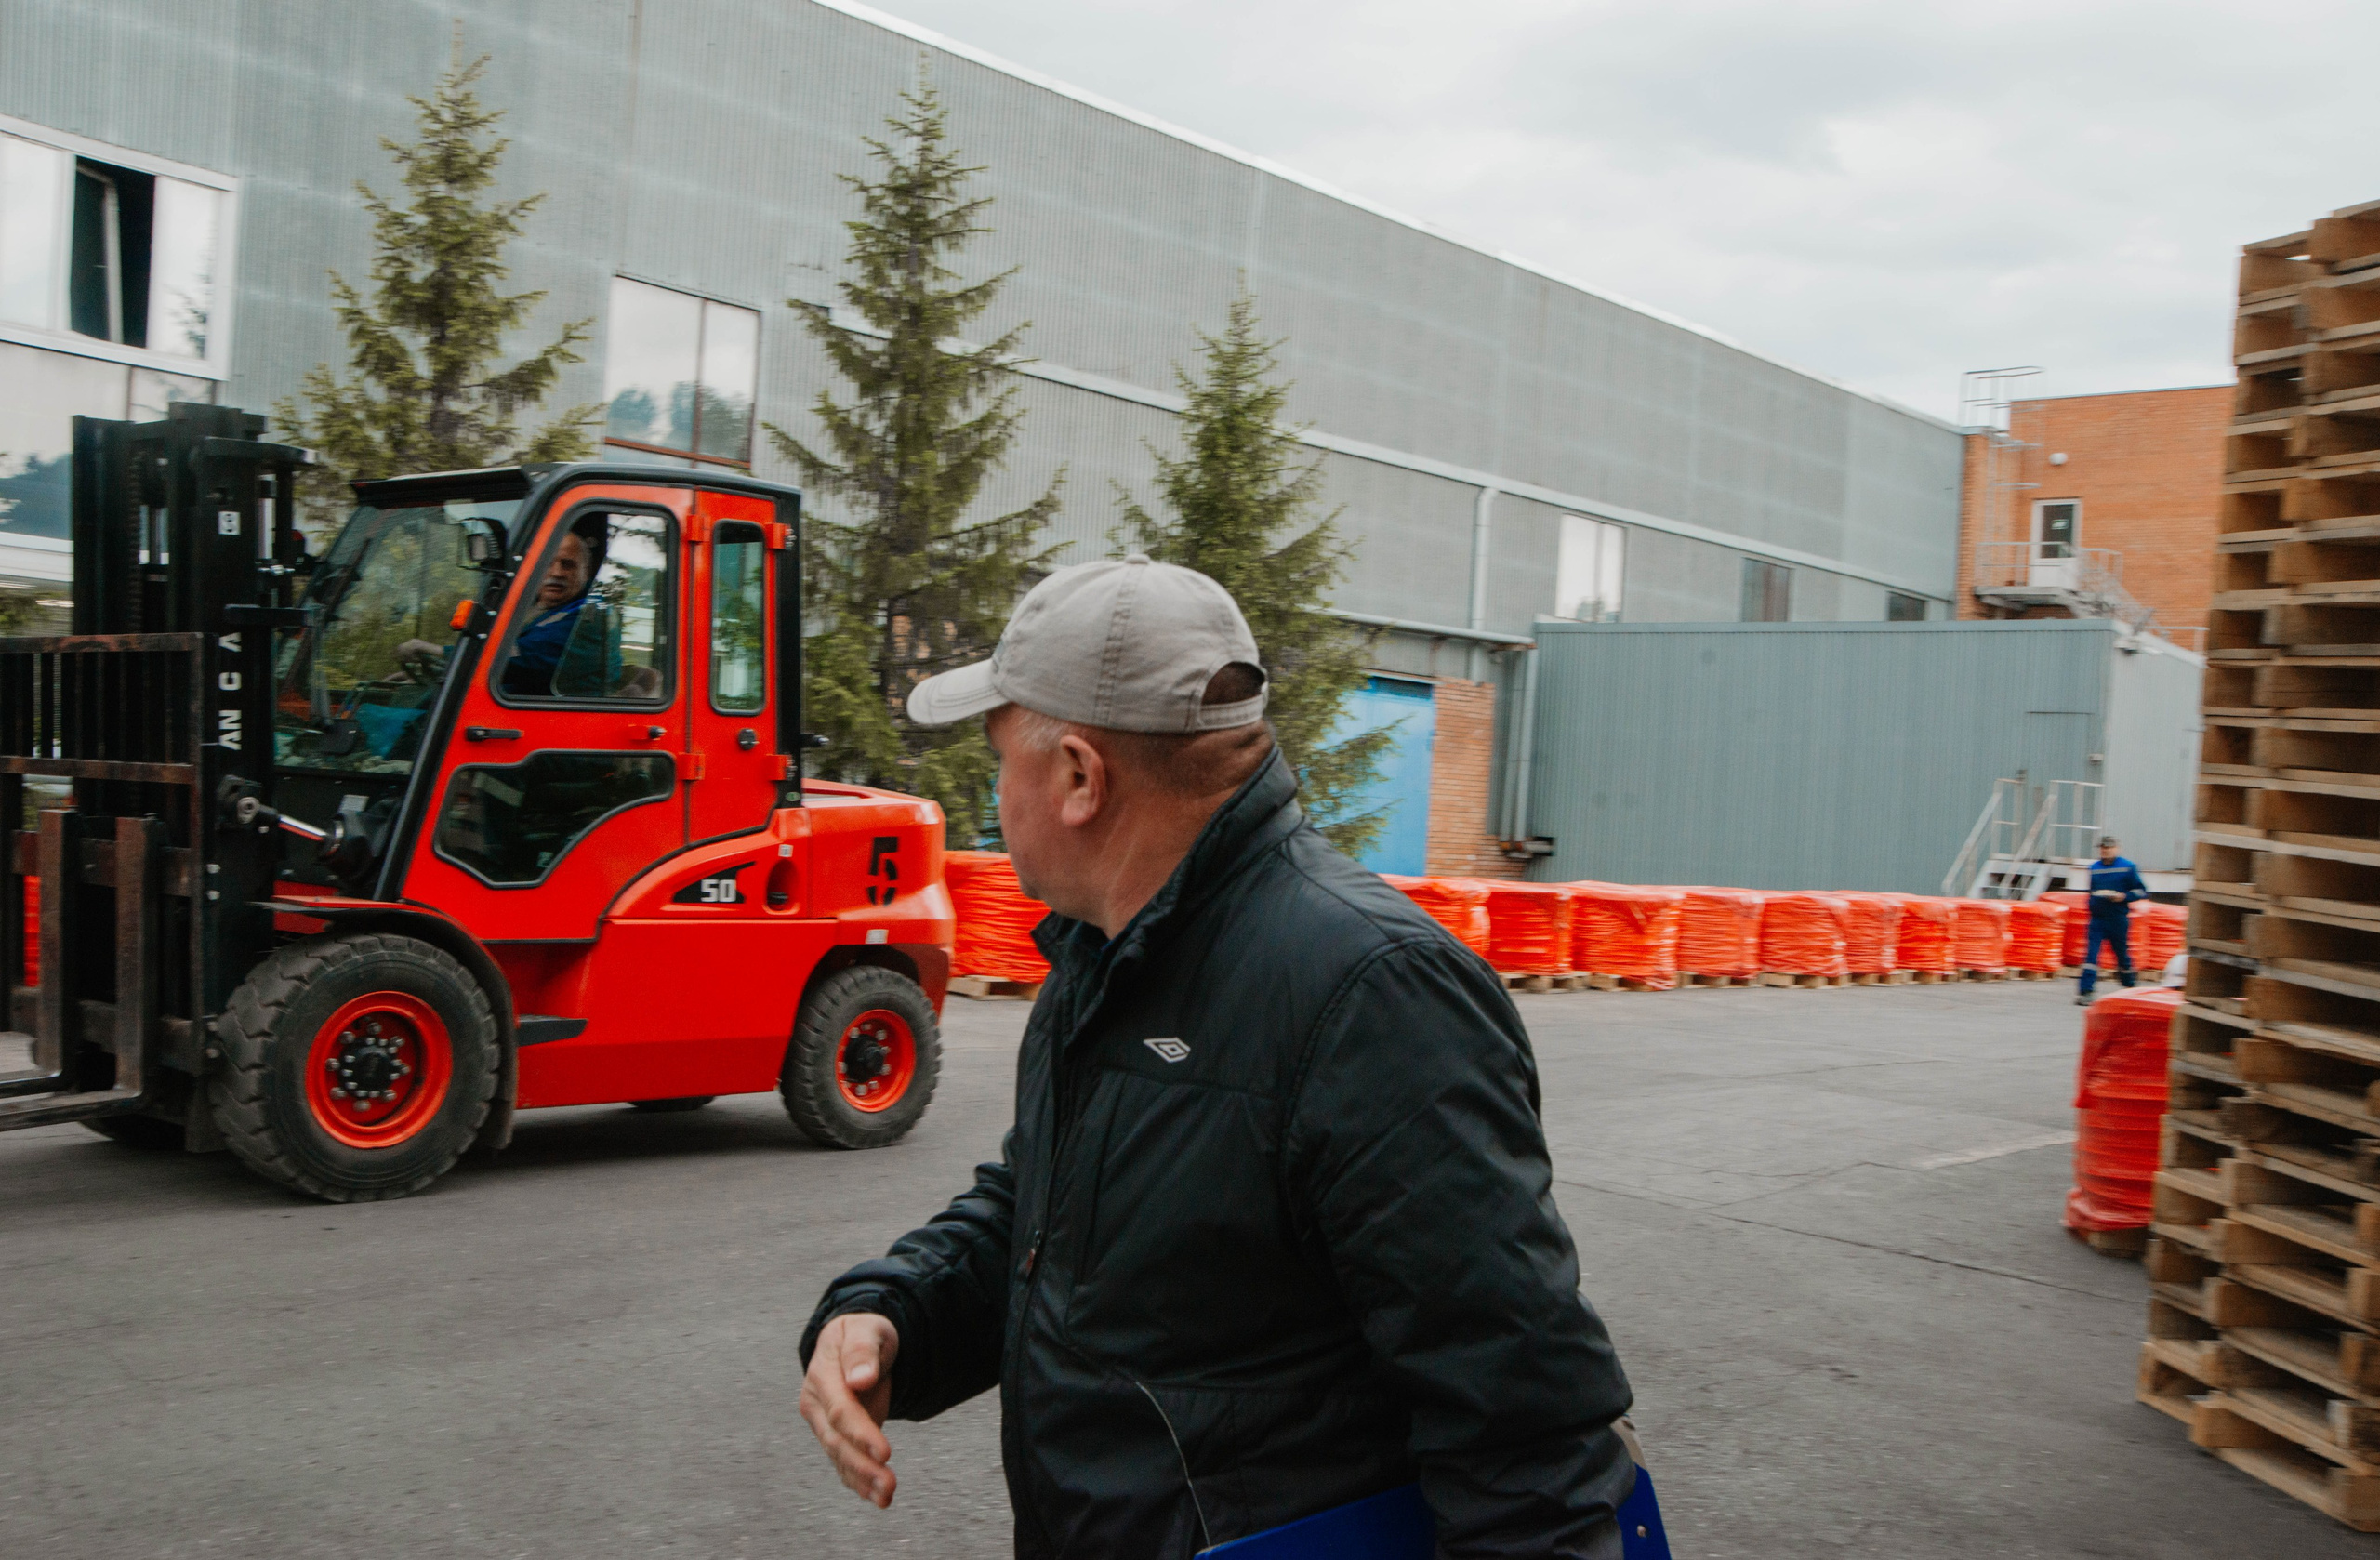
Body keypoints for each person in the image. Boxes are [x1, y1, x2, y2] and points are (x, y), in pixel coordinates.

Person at [796, 555, 1636, 1557]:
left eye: (997, 758)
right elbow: (1042, 1213)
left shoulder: (1373, 995)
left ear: (1076, 776)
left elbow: (1526, 1429)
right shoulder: (1103, 953)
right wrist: (891, 1313)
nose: (993, 789)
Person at [2076, 834, 2148, 1005]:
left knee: (2122, 955)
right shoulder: (2094, 868)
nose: (2105, 851)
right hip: (2098, 919)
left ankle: (2129, 986)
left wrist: (2124, 896)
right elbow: (2092, 891)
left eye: (2108, 848)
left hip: (2117, 918)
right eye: (2103, 848)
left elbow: (2141, 891)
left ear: (2116, 849)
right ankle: (2086, 991)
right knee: (2091, 956)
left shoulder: (2127, 867)